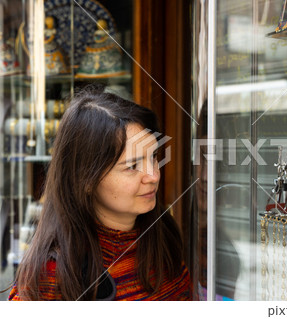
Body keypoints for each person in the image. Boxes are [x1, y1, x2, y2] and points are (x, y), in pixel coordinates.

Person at [6, 86, 192, 300]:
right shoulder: (50, 276)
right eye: (132, 166)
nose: (153, 176)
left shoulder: (164, 237)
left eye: (153, 157)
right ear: (86, 179)